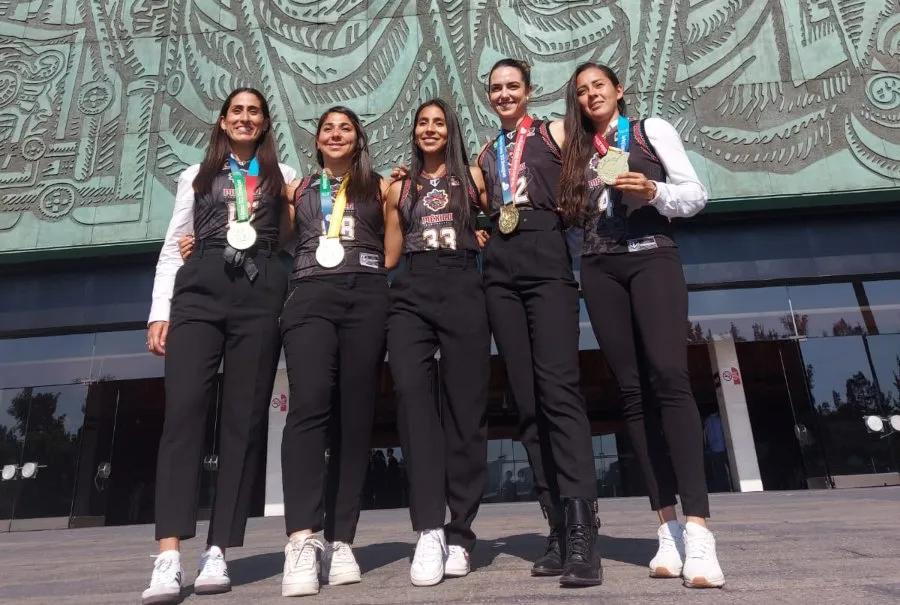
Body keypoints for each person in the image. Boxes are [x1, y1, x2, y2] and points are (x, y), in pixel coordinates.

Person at [557, 62, 725, 588]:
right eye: (582, 91)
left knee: (670, 378)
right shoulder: (576, 150)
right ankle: (667, 528)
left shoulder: (651, 129)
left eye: (598, 86)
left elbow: (695, 195)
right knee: (631, 392)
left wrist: (653, 191)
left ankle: (699, 530)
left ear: (618, 90)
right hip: (599, 267)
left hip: (652, 255)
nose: (591, 95)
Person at [142, 88, 296, 604]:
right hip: (201, 288)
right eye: (237, 111)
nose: (245, 118)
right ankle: (168, 556)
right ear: (224, 120)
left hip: (259, 289)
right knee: (183, 414)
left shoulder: (283, 176)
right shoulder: (196, 173)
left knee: (244, 421)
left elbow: (293, 237)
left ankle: (218, 550)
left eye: (254, 112)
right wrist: (160, 309)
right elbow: (174, 245)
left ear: (265, 123)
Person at [478, 58, 601, 587]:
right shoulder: (486, 153)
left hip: (547, 255)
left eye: (513, 86)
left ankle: (583, 531)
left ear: (528, 91)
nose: (505, 94)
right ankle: (556, 529)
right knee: (527, 404)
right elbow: (478, 204)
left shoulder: (553, 132)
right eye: (496, 89)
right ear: (489, 97)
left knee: (558, 393)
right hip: (499, 267)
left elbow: (597, 148)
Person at [278, 106, 398, 597]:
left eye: (345, 128)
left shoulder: (381, 187)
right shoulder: (298, 190)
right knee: (308, 407)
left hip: (365, 294)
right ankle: (301, 540)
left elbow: (395, 248)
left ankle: (341, 539)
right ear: (317, 141)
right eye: (327, 128)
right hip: (309, 294)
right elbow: (277, 237)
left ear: (358, 139)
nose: (335, 134)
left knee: (355, 416)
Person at [383, 99, 491, 586]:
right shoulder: (399, 186)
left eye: (439, 122)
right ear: (414, 132)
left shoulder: (474, 178)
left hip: (463, 285)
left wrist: (489, 237)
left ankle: (461, 533)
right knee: (413, 399)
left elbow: (504, 218)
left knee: (466, 409)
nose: (430, 129)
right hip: (412, 288)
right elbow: (389, 255)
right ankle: (429, 529)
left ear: (451, 131)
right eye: (422, 123)